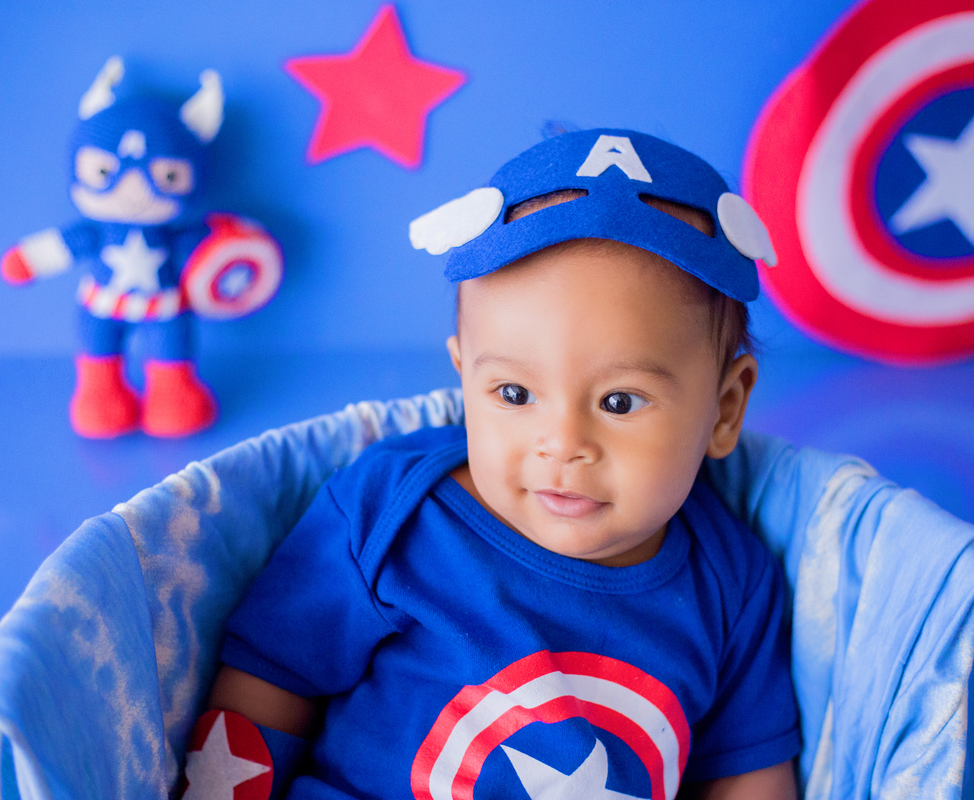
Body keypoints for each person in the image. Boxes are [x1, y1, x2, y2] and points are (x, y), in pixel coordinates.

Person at [194, 129, 799, 800]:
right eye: (514, 395)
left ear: (724, 408)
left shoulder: (732, 584)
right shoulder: (392, 513)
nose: (563, 442)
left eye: (620, 401)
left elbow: (748, 773)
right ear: (464, 380)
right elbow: (272, 679)